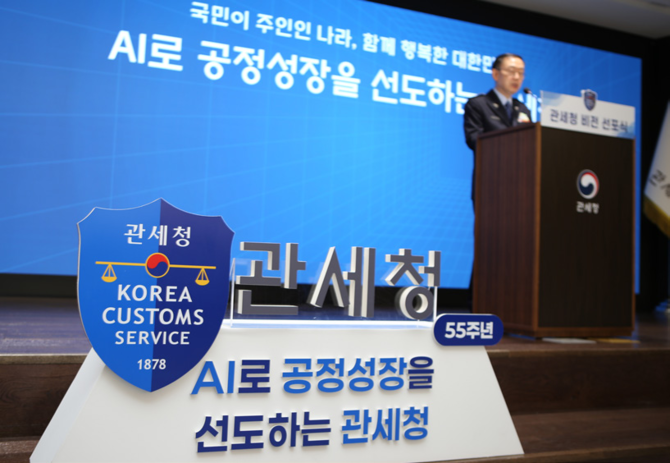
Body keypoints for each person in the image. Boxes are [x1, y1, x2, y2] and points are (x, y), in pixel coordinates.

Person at [463, 53, 532, 153]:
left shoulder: (522, 108)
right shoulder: (478, 104)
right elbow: (474, 140)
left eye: (521, 73)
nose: (517, 77)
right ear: (495, 74)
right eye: (511, 71)